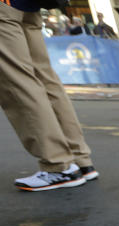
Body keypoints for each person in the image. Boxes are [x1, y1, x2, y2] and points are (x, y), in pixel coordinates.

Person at [1, 0, 98, 190]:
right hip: (27, 8)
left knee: (17, 83)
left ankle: (58, 165)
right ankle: (79, 159)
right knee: (46, 80)